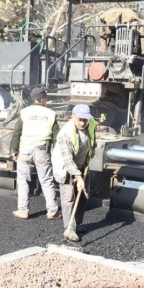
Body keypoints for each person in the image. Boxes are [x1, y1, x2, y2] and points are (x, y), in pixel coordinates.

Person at [9, 87, 60, 220]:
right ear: (43, 99)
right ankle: (52, 212)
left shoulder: (24, 112)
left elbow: (16, 133)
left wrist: (14, 150)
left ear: (34, 99)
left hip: (25, 150)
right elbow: (56, 136)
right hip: (41, 151)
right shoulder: (51, 114)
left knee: (23, 181)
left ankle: (23, 210)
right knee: (47, 181)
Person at [52, 104, 97, 243]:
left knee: (83, 194)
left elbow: (92, 140)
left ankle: (78, 224)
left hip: (82, 165)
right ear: (73, 117)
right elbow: (68, 160)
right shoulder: (66, 134)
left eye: (85, 119)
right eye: (80, 119)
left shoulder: (90, 124)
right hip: (66, 168)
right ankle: (69, 228)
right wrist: (78, 177)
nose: (83, 122)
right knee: (69, 198)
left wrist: (90, 152)